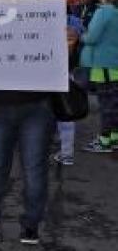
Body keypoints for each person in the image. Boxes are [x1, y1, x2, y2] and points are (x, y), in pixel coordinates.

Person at [0, 0, 53, 246]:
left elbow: (59, 61)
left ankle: (29, 225)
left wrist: (71, 40)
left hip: (36, 108)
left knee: (31, 170)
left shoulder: (46, 24)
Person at [80, 0, 118, 154]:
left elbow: (91, 38)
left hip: (103, 65)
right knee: (114, 104)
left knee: (106, 105)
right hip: (115, 63)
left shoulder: (103, 12)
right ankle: (114, 139)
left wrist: (82, 35)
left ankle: (104, 141)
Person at [53, 16, 84, 166]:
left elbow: (72, 47)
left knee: (65, 114)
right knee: (64, 114)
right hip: (61, 73)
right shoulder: (73, 22)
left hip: (62, 74)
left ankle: (66, 153)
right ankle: (65, 152)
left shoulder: (72, 23)